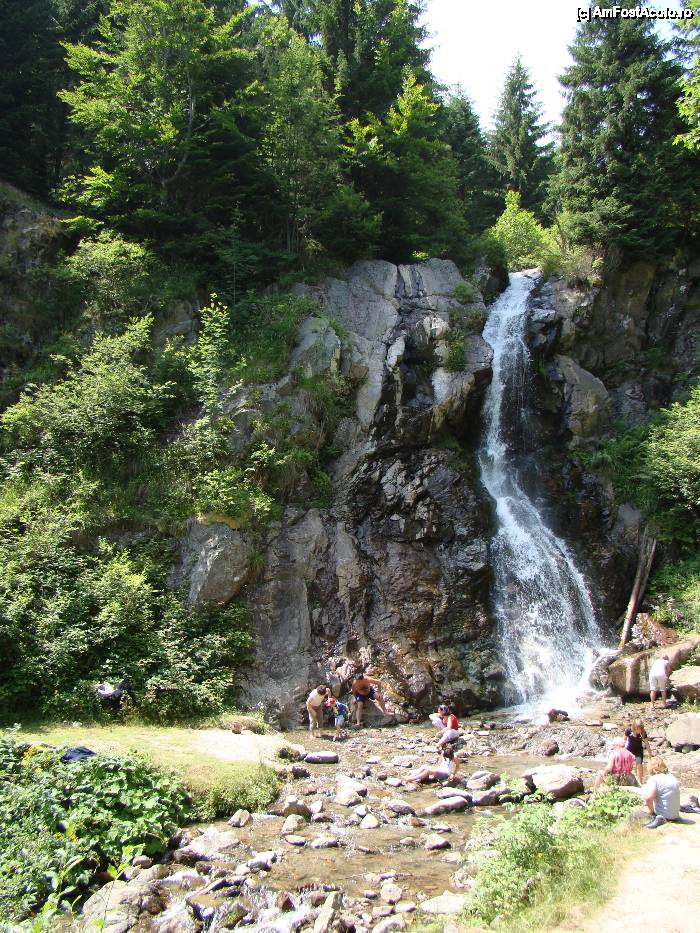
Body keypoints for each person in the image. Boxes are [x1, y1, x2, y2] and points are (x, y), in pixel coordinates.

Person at [641, 756, 680, 829]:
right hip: (675, 815)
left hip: (663, 815)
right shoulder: (671, 777)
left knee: (635, 815)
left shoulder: (654, 779)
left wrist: (650, 810)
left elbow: (648, 797)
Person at [625, 719, 650, 784]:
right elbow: (624, 740)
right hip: (629, 750)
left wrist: (650, 754)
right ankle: (627, 780)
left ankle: (640, 782)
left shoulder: (643, 733)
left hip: (638, 750)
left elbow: (647, 743)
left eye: (640, 729)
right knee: (628, 765)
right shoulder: (628, 730)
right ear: (634, 727)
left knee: (639, 764)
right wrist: (622, 750)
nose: (638, 731)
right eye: (637, 729)